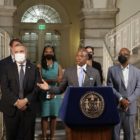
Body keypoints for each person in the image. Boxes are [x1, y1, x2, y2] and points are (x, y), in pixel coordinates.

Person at [0, 44, 40, 140]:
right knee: (11, 136)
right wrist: (17, 102)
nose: (19, 53)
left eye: (21, 51)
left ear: (26, 52)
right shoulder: (6, 68)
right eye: (16, 52)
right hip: (11, 109)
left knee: (28, 136)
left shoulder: (34, 68)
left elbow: (37, 87)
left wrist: (25, 100)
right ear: (13, 53)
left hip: (28, 109)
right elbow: (5, 88)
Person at [107, 48, 140, 140]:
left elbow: (138, 88)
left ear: (129, 56)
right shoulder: (112, 70)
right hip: (116, 107)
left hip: (131, 107)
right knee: (115, 135)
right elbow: (110, 86)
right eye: (120, 54)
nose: (122, 56)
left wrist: (128, 100)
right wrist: (121, 99)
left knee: (129, 135)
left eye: (125, 54)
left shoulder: (137, 71)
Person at [38, 45, 63, 140]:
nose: (48, 53)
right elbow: (39, 80)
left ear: (53, 53)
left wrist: (47, 80)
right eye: (46, 51)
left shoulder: (58, 65)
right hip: (44, 93)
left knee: (54, 116)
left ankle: (52, 137)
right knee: (44, 116)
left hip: (55, 93)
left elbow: (60, 80)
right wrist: (54, 80)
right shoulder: (40, 65)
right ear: (44, 53)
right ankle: (44, 137)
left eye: (50, 51)